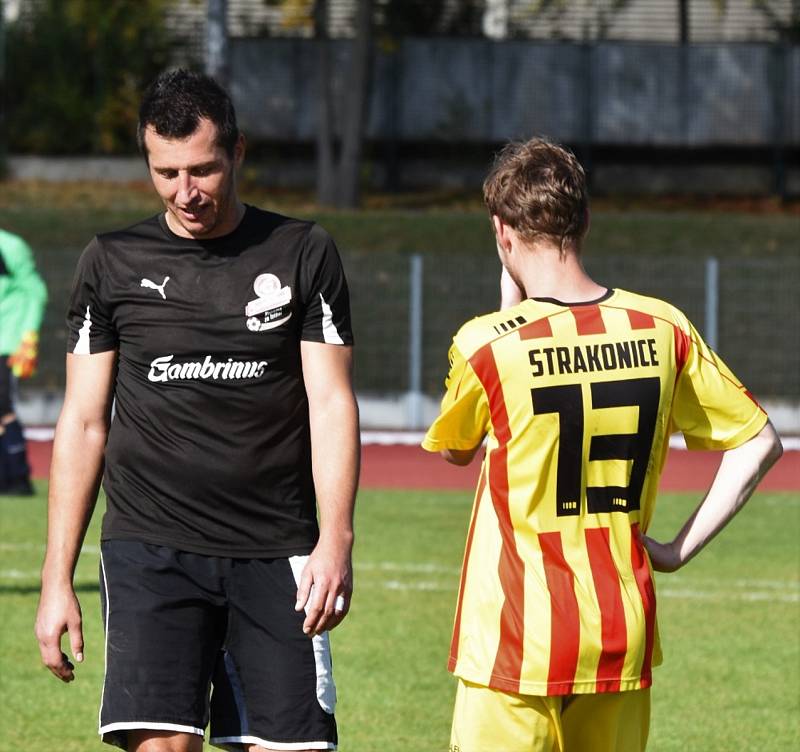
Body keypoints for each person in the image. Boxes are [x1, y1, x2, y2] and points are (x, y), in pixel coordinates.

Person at [35, 69, 360, 752]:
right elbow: (84, 422)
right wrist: (55, 580)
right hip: (150, 548)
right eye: (166, 172)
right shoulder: (111, 262)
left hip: (277, 549)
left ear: (237, 152)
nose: (186, 193)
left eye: (204, 170)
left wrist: (337, 540)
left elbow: (331, 401)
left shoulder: (304, 252)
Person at [421, 138, 782, 752]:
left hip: (516, 637)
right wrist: (674, 550)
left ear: (501, 234)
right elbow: (760, 441)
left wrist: (508, 307)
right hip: (619, 629)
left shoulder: (487, 344)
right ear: (585, 220)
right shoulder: (662, 326)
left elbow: (459, 449)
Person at [0, 228, 48, 496]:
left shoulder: (10, 246)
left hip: (7, 341)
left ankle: (18, 479)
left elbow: (35, 290)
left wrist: (29, 335)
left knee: (3, 405)